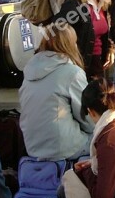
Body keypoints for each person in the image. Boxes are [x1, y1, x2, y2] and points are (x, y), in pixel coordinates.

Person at [19, 25, 94, 161]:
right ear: (71, 44)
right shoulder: (72, 73)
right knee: (108, 138)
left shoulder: (30, 69)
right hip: (63, 147)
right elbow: (87, 118)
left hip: (33, 146)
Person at [49, 0, 114, 80]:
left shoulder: (102, 4)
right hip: (81, 67)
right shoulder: (74, 5)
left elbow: (101, 32)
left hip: (99, 65)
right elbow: (55, 30)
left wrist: (110, 48)